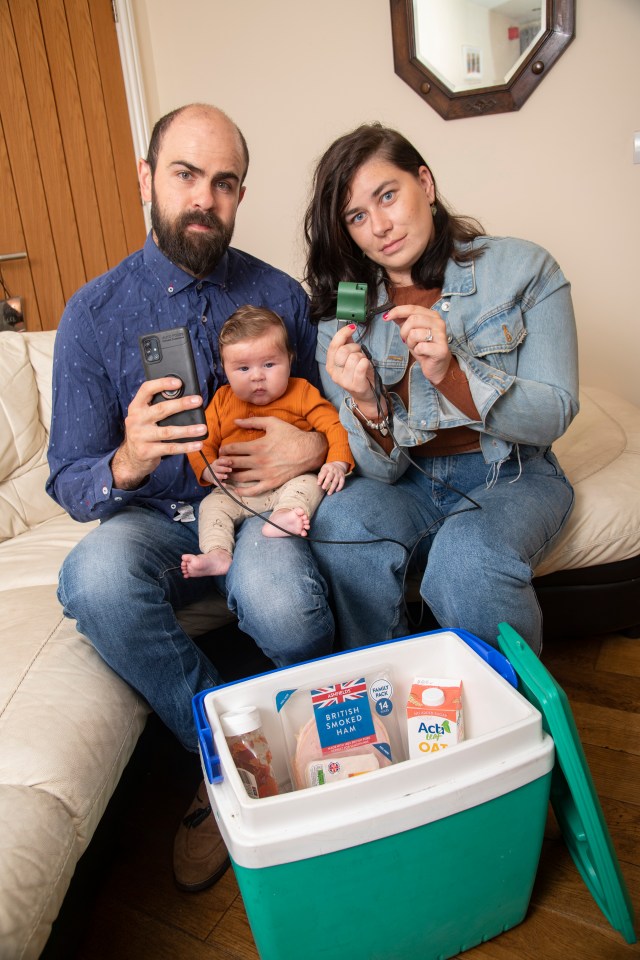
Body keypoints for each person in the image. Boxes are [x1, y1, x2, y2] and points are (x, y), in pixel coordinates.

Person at [46, 103, 335, 893]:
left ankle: (323, 759)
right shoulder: (90, 315)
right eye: (185, 175)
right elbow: (69, 478)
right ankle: (236, 761)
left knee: (283, 607)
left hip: (262, 510)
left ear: (241, 194)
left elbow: (334, 417)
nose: (205, 198)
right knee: (92, 579)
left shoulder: (282, 295)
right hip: (153, 522)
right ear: (147, 178)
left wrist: (310, 445)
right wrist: (129, 460)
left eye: (225, 182)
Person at [304, 122, 579, 657]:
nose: (380, 226)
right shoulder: (342, 317)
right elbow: (383, 471)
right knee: (339, 529)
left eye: (388, 196)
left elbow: (555, 413)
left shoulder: (524, 268)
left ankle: (518, 724)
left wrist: (451, 372)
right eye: (357, 216)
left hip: (513, 474)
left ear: (425, 185)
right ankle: (385, 701)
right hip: (407, 481)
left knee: (465, 560)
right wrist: (363, 403)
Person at [181, 305, 353, 577]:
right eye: (243, 368)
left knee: (310, 484)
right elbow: (200, 441)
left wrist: (337, 463)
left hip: (290, 482)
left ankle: (284, 516)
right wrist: (208, 469)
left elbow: (334, 424)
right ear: (225, 369)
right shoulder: (223, 401)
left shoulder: (302, 392)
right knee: (212, 507)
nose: (257, 376)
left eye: (269, 364)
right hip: (237, 489)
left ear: (289, 359)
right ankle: (217, 553)